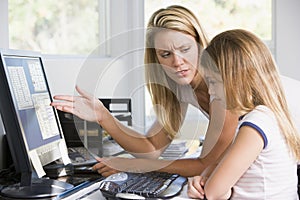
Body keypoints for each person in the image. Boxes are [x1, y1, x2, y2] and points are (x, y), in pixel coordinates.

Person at [50, 5, 238, 177]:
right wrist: (103, 116)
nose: (177, 62)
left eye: (185, 49)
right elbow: (152, 148)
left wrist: (137, 165)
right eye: (165, 54)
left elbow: (205, 164)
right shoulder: (180, 87)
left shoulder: (222, 83)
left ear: (200, 44)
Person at [187, 29, 300, 199]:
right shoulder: (266, 116)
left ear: (235, 79)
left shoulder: (256, 125)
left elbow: (213, 192)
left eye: (213, 82)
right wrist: (205, 180)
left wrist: (209, 184)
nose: (210, 91)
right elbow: (216, 176)